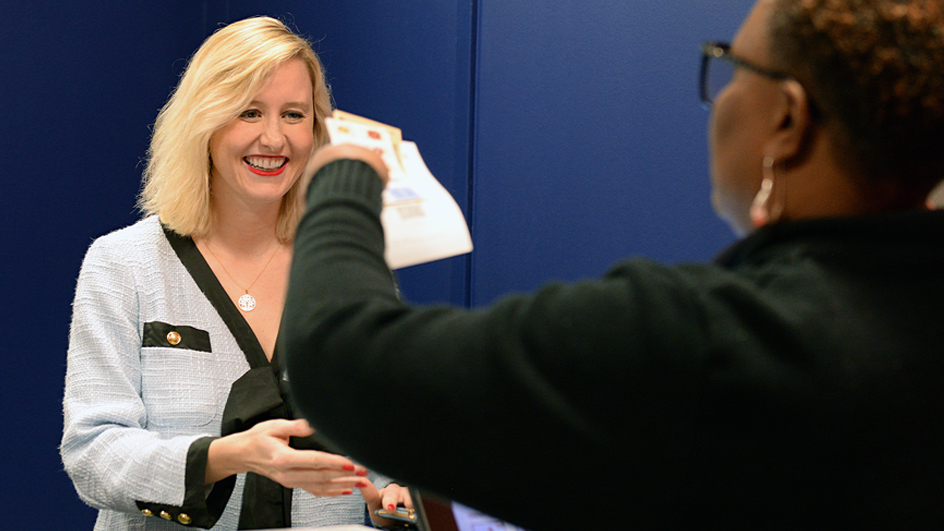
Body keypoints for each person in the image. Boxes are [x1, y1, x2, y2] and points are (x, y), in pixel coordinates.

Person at [280, 0, 944, 529]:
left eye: (733, 68)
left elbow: (342, 361)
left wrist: (341, 185)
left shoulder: (706, 341)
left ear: (789, 120)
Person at [61, 16, 409, 530]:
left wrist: (393, 496)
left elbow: (384, 441)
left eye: (294, 114)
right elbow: (93, 454)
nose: (274, 137)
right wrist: (224, 456)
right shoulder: (123, 264)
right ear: (204, 122)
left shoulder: (352, 268)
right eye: (249, 112)